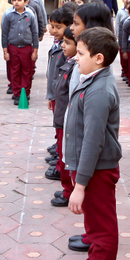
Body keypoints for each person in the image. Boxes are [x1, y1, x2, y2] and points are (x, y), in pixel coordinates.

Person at [60, 27, 122, 260]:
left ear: (98, 58)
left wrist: (80, 185)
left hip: (97, 169)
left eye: (81, 54)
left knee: (102, 227)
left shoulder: (99, 90)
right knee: (94, 225)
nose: (76, 58)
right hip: (89, 168)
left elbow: (94, 141)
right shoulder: (92, 79)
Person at [49, 28, 78, 207]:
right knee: (62, 153)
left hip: (67, 121)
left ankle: (70, 191)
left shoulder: (77, 67)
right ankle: (67, 188)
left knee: (67, 157)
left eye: (68, 42)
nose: (63, 45)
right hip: (61, 118)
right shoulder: (69, 62)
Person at [1, 0, 39, 105]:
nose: (16, 2)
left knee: (27, 71)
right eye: (14, 0)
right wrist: (5, 51)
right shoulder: (8, 15)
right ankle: (17, 93)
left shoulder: (30, 14)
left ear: (26, 2)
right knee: (15, 71)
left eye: (19, 0)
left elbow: (34, 33)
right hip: (13, 47)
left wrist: (35, 50)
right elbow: (5, 33)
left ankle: (25, 92)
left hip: (27, 47)